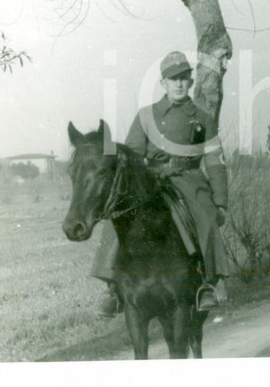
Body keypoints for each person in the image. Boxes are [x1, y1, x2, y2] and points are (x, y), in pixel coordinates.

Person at [92, 51, 230, 317]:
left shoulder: (202, 118)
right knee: (117, 218)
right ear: (163, 83)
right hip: (150, 182)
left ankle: (207, 285)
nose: (179, 84)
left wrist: (221, 202)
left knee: (206, 218)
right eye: (172, 78)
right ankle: (111, 289)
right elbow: (131, 158)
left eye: (184, 78)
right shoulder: (146, 116)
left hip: (188, 181)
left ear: (191, 82)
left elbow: (215, 162)